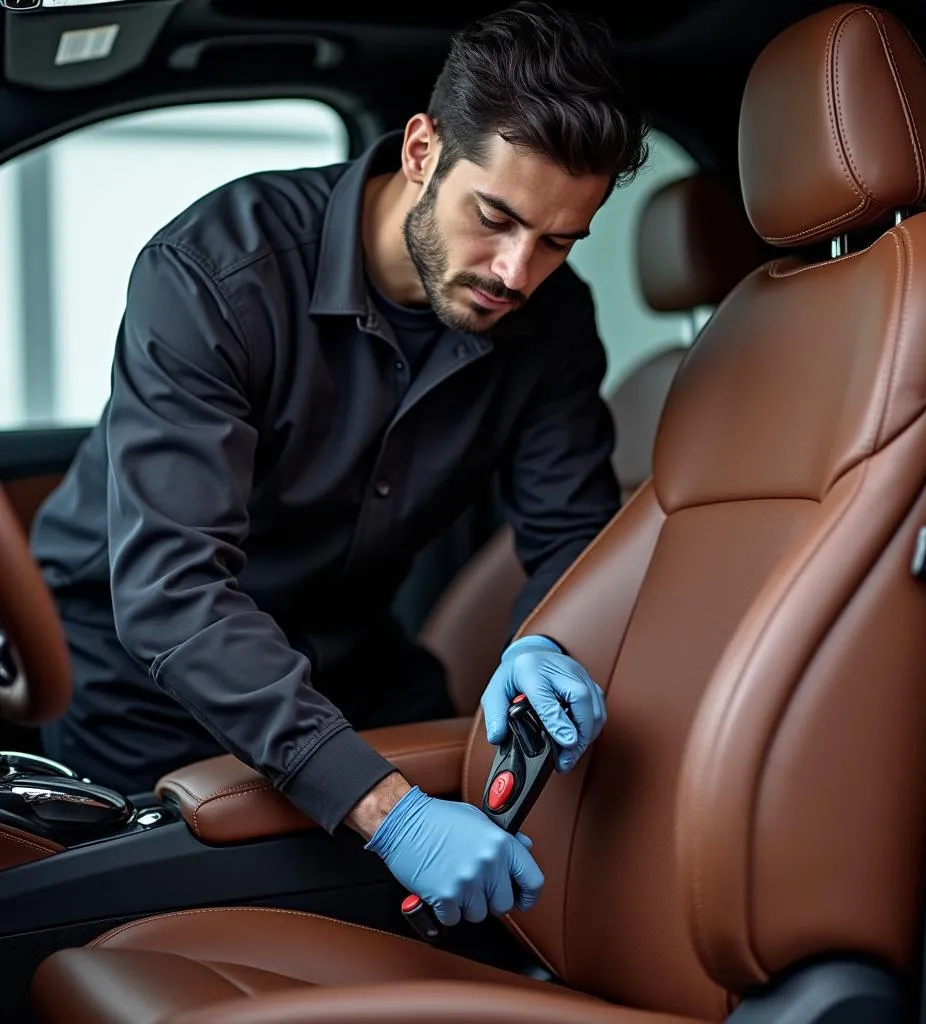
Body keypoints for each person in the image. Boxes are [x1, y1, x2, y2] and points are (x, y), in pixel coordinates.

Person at [30, 0, 650, 926]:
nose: (518, 272)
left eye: (558, 241)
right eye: (496, 217)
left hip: (346, 660)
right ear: (420, 151)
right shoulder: (214, 274)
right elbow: (171, 591)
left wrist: (551, 641)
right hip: (141, 682)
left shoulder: (552, 325)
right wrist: (390, 812)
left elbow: (571, 538)